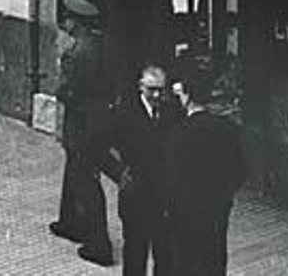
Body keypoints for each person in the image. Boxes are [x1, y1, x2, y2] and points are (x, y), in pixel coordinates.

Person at [51, 0, 114, 266]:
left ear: (75, 23)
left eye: (68, 19)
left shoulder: (78, 53)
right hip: (97, 117)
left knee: (84, 177)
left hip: (81, 121)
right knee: (75, 170)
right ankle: (70, 222)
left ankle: (99, 244)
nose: (65, 24)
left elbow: (66, 90)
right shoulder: (100, 45)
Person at [95, 64, 177, 275]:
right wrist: (119, 174)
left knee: (165, 255)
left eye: (161, 89)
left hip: (163, 197)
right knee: (135, 254)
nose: (157, 94)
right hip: (136, 196)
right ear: (141, 87)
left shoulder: (171, 112)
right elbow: (97, 147)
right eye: (152, 89)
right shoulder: (125, 113)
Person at [165, 71, 246, 276]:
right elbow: (240, 171)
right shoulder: (227, 128)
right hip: (217, 207)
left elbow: (171, 176)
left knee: (185, 260)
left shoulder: (179, 133)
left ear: (188, 96)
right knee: (214, 258)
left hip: (185, 210)